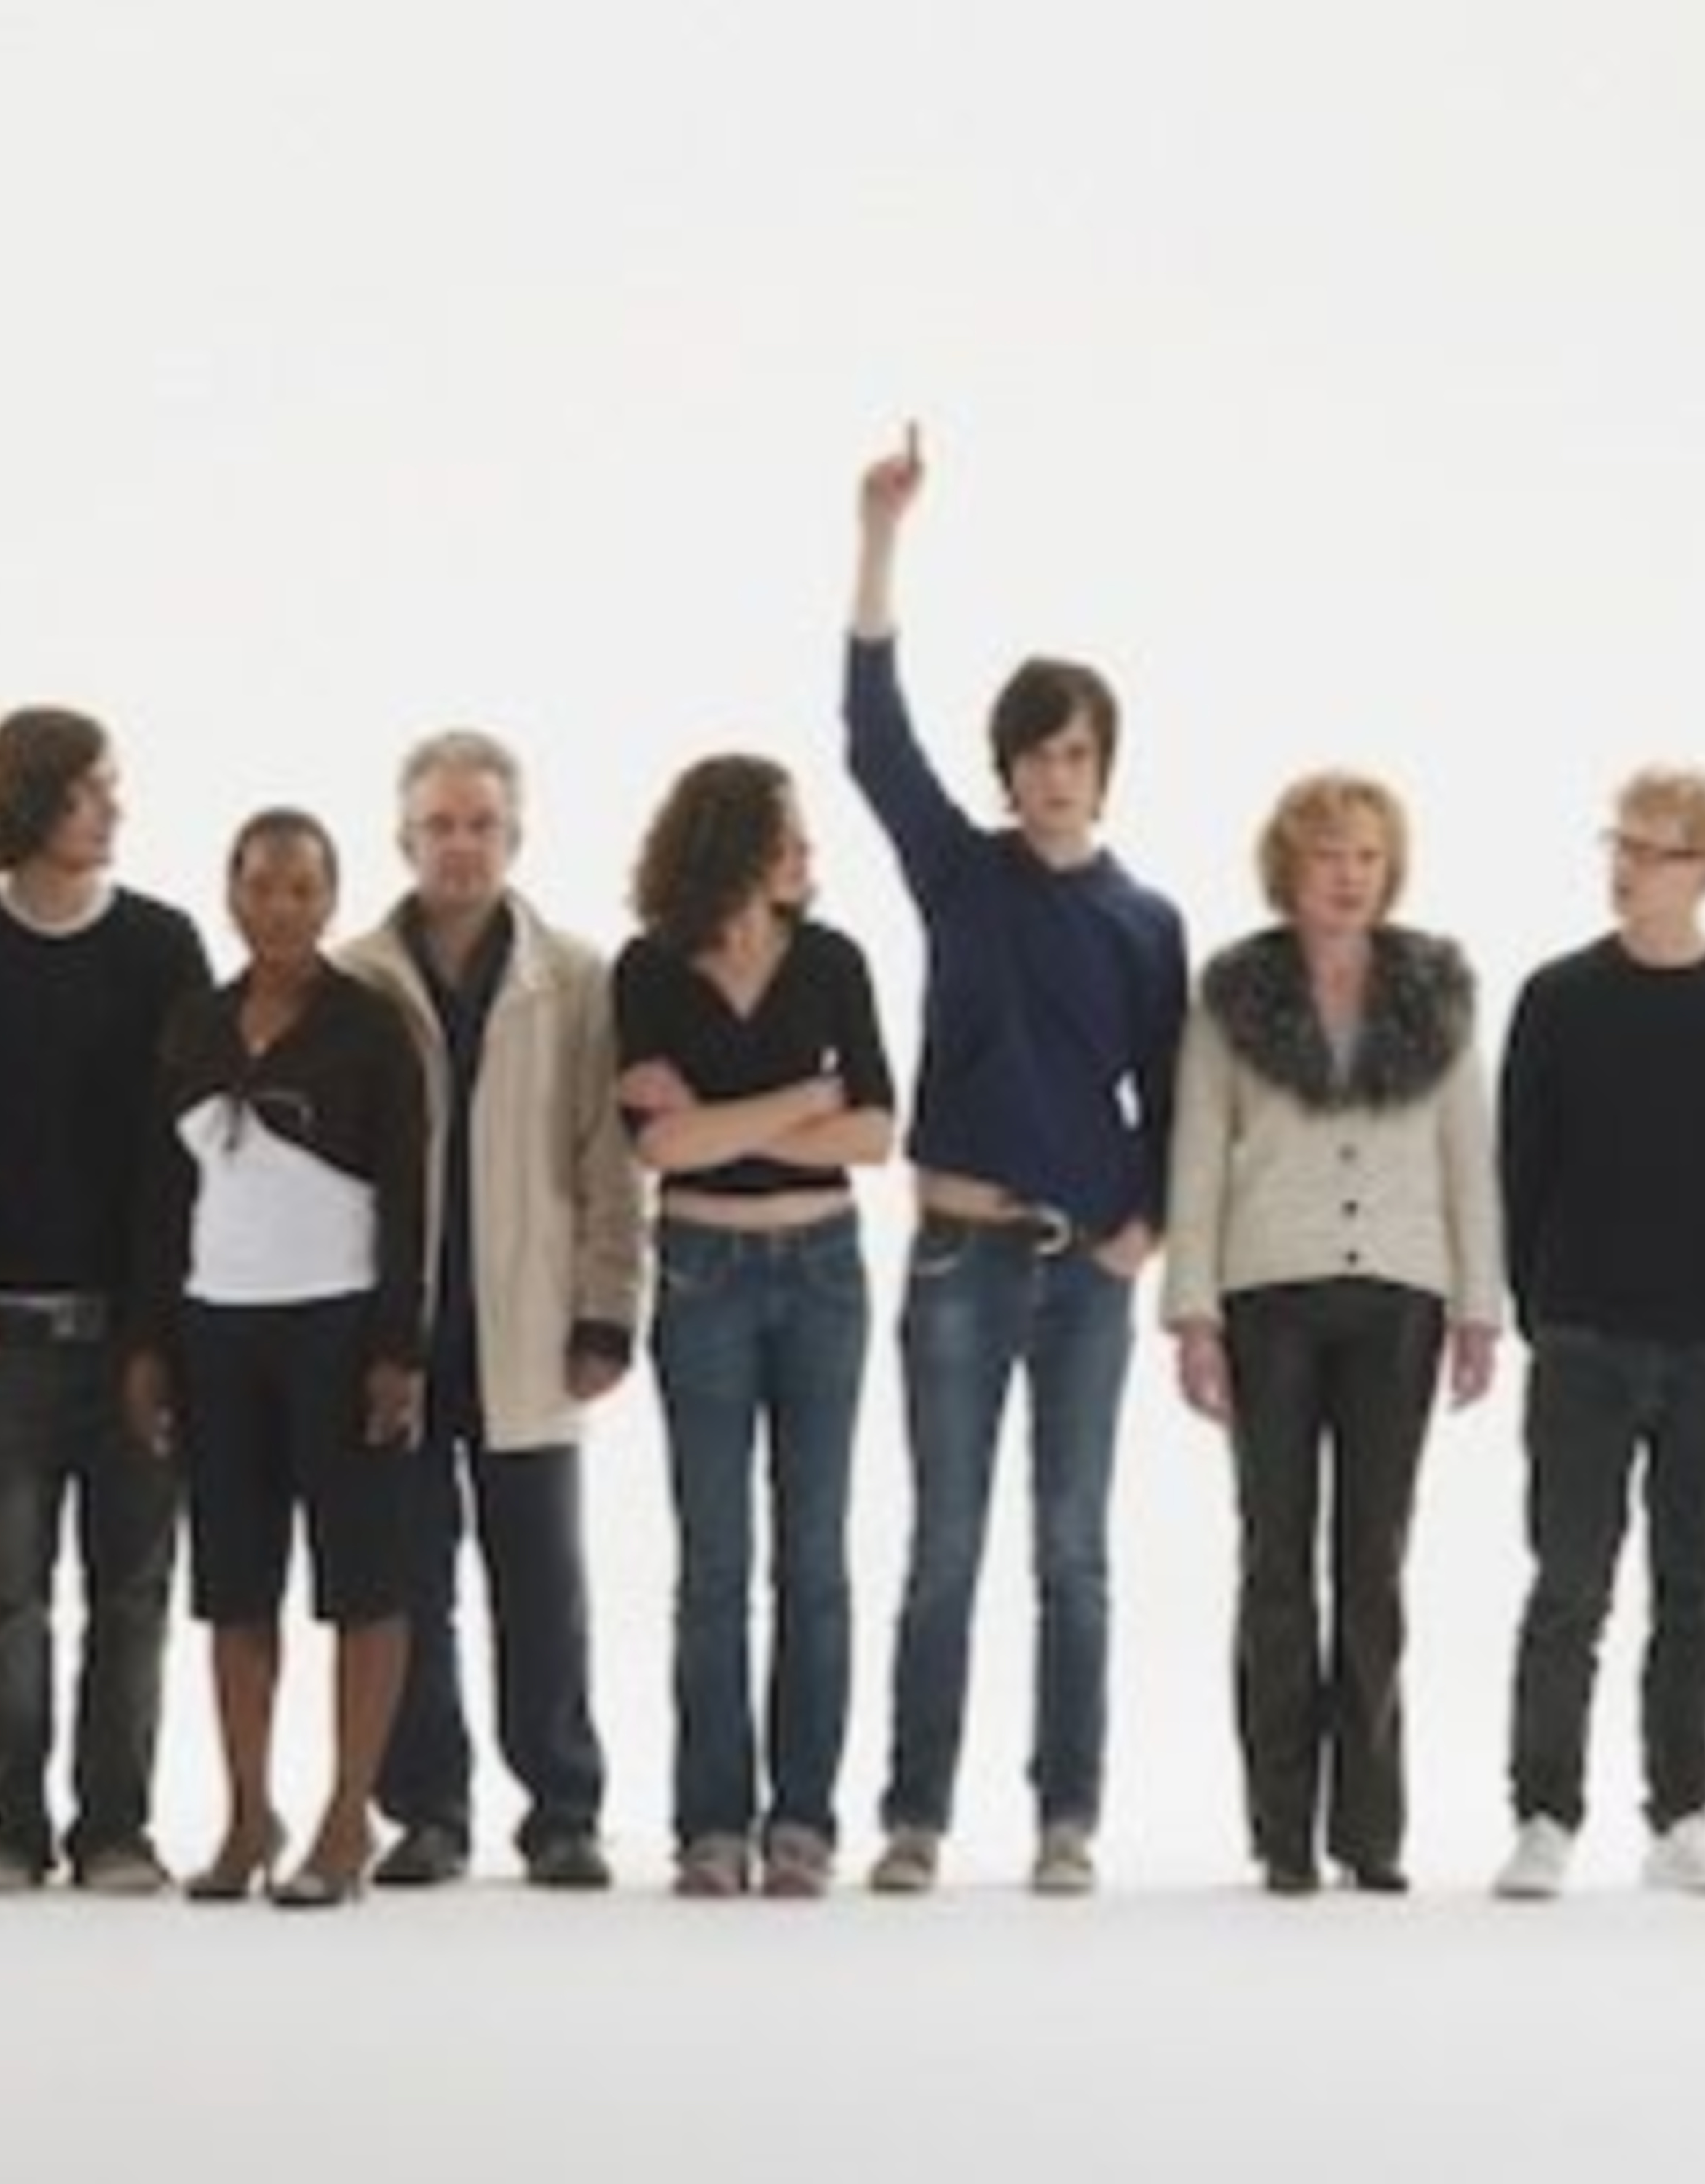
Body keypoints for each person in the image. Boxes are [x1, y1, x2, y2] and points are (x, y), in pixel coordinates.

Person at [847, 427, 1190, 1895]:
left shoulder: (1145, 921)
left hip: (1085, 1271)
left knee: (1072, 1552)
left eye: (1079, 752)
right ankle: (915, 1817)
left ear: (1104, 769)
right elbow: (873, 739)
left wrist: (1140, 1230)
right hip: (958, 1258)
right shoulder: (961, 874)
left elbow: (1175, 1094)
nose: (1058, 773)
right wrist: (880, 537)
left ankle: (1068, 1818)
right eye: (1039, 752)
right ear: (1009, 767)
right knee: (945, 1545)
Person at [1161, 772, 1500, 1896]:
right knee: (1275, 1559)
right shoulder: (1233, 996)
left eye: (1366, 855)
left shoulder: (1437, 994)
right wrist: (1194, 1315)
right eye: (1326, 855)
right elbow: (1196, 1157)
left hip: (1401, 1297)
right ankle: (1282, 1831)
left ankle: (1371, 1827)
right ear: (1288, 870)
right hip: (1268, 1298)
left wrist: (1479, 1309)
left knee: (1373, 1562)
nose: (1348, 876)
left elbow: (1468, 1157)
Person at [1492, 768, 1705, 1900]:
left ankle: (1682, 1816)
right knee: (1568, 1587)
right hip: (1583, 1334)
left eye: (1654, 848)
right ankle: (1544, 1815)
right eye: (1619, 842)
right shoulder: (1558, 997)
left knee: (1695, 1587)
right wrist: (1544, 1305)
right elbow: (1521, 1167)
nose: (1626, 866)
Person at [0, 706, 211, 1894]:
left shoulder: (162, 946)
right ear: (32, 799)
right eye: (92, 789)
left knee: (133, 1596)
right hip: (3, 1334)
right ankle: (10, 1828)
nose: (113, 809)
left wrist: (165, 1330)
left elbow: (190, 1153)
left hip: (136, 1335)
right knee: (8, 1601)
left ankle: (116, 1830)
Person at [341, 729, 644, 1889]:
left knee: (543, 1585)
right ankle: (428, 1810)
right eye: (439, 826)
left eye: (480, 825)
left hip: (531, 1328)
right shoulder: (359, 979)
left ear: (515, 836)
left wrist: (608, 1310)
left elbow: (610, 1157)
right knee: (412, 1582)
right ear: (404, 839)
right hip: (400, 1338)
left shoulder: (575, 978)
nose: (460, 846)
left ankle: (563, 1809)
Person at [126, 810, 428, 1907]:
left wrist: (397, 1347)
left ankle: (347, 1819)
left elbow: (410, 1195)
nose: (282, 908)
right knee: (235, 1580)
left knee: (363, 1576)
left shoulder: (371, 1026)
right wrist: (149, 1344)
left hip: (340, 1329)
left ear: (331, 900)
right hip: (218, 1330)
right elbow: (161, 1195)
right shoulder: (194, 1024)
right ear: (232, 893)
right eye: (262, 886)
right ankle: (250, 1813)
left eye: (303, 889)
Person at [615, 755, 895, 1899]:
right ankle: (711, 1825)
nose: (806, 854)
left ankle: (803, 1822)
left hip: (823, 1271)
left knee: (814, 1561)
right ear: (730, 847)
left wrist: (725, 1119)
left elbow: (875, 1134)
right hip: (701, 1276)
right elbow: (658, 1147)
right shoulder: (647, 969)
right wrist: (802, 1101)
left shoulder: (834, 961)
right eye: (787, 836)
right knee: (715, 1563)